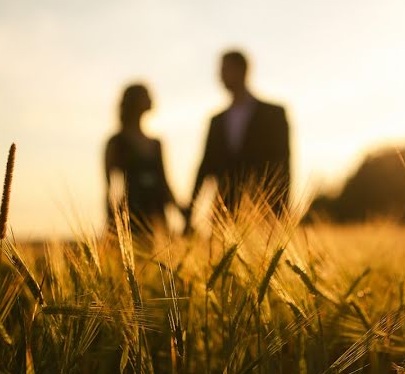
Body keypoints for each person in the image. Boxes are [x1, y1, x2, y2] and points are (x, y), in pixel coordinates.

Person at [187, 50, 291, 225]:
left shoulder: (274, 114)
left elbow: (283, 164)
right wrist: (190, 209)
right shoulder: (216, 121)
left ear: (242, 70)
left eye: (224, 70)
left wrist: (282, 208)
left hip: (265, 211)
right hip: (224, 211)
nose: (220, 77)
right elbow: (205, 165)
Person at [104, 83, 181, 242]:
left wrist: (182, 211)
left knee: (158, 262)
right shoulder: (116, 142)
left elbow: (164, 182)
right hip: (129, 213)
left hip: (156, 212)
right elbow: (109, 187)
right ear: (134, 102)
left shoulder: (156, 143)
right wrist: (112, 222)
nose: (151, 99)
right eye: (146, 95)